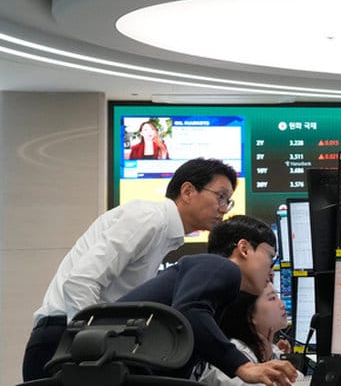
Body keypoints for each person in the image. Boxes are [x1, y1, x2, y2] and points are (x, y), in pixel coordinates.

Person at [22, 157, 237, 381]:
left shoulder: (164, 234)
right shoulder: (150, 218)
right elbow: (81, 282)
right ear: (188, 191)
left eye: (228, 201)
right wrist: (91, 347)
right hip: (65, 339)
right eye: (220, 196)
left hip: (80, 339)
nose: (224, 208)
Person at [120, 215, 298, 386]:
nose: (272, 271)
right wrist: (243, 366)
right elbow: (188, 311)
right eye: (270, 257)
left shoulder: (216, 286)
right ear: (244, 249)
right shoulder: (221, 266)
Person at [199, 283, 292, 386]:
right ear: (250, 315)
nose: (282, 304)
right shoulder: (230, 361)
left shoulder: (269, 350)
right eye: (272, 298)